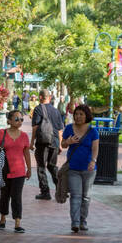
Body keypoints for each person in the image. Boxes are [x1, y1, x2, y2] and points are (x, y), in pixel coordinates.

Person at [0, 108, 32, 233]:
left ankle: (17, 222)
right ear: (9, 121)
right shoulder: (2, 133)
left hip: (19, 171)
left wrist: (29, 168)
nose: (20, 121)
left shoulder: (24, 136)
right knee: (4, 195)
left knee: (16, 196)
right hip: (4, 170)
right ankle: (2, 218)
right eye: (17, 119)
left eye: (22, 119)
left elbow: (26, 154)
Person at [61, 103, 100, 234]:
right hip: (73, 167)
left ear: (86, 116)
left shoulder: (93, 131)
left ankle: (83, 220)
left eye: (81, 114)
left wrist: (93, 161)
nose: (78, 116)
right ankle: (75, 222)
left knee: (86, 196)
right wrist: (68, 142)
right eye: (76, 114)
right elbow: (63, 145)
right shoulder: (68, 129)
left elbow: (95, 148)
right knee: (76, 196)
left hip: (89, 169)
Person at [30, 89, 64, 200]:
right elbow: (59, 130)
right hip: (54, 142)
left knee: (41, 167)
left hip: (42, 143)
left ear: (40, 97)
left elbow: (35, 127)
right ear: (49, 97)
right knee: (52, 166)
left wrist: (31, 142)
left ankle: (45, 192)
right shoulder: (56, 111)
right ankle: (61, 189)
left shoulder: (38, 109)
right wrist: (60, 144)